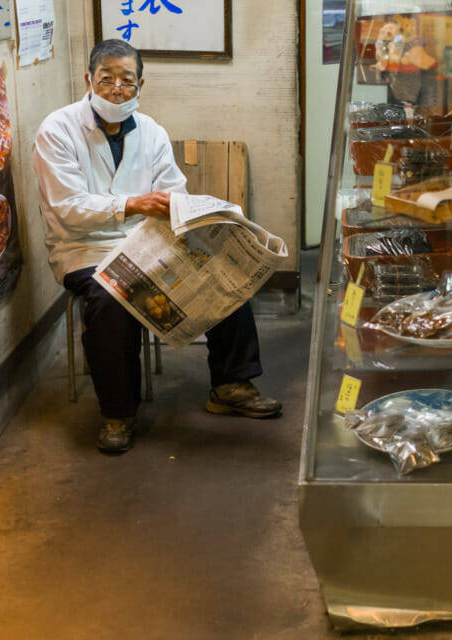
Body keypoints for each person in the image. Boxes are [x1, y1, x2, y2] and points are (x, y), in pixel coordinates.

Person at [34, 39, 281, 455]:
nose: (116, 90)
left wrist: (199, 215)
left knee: (222, 264)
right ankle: (117, 413)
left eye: (126, 81)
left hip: (145, 241)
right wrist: (132, 203)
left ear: (140, 84)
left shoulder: (151, 131)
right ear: (88, 81)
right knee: (111, 296)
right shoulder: (56, 130)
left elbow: (172, 191)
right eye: (106, 79)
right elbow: (66, 208)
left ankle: (230, 384)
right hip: (85, 248)